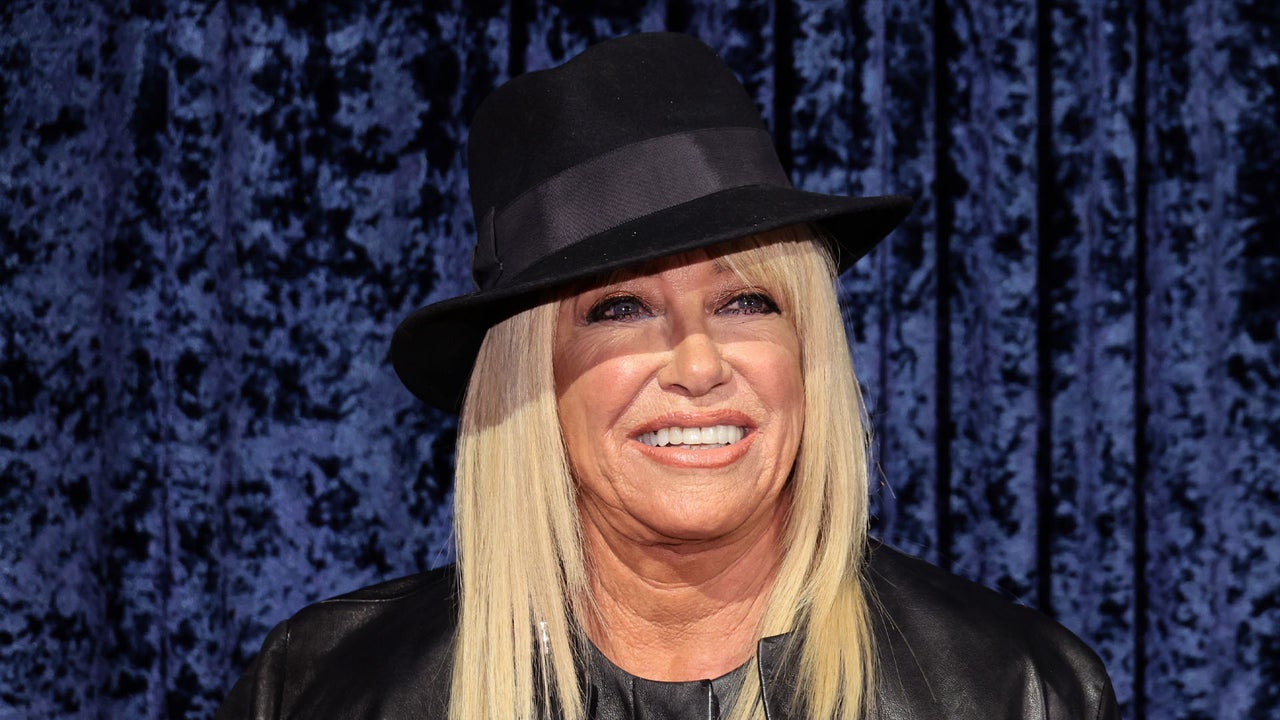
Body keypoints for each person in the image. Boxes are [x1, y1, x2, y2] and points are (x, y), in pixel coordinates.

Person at [216, 32, 1117, 720]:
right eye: (619, 309)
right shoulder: (321, 689)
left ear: (808, 351)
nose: (697, 364)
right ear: (530, 378)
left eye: (746, 302)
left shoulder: (1021, 691)